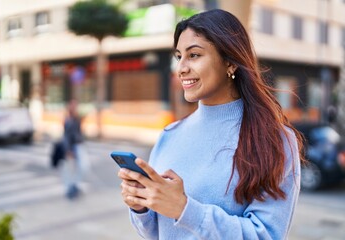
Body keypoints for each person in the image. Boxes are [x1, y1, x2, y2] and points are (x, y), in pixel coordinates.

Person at [118, 9, 304, 239]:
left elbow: (266, 234)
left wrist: (185, 209)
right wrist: (141, 206)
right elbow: (157, 233)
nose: (182, 68)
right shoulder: (170, 134)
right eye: (179, 57)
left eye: (194, 55)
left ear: (230, 62)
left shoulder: (275, 139)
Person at [61, 99, 88, 199]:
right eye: (73, 106)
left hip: (79, 145)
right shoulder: (68, 120)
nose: (75, 108)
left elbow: (79, 132)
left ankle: (75, 186)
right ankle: (70, 188)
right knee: (69, 169)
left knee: (82, 167)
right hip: (72, 147)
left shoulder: (76, 119)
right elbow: (66, 136)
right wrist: (68, 150)